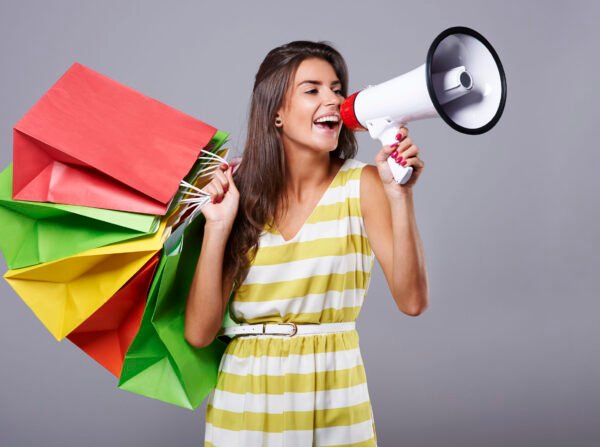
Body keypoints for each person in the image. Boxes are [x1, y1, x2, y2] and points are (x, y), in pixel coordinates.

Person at [184, 40, 428, 447]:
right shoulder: (239, 196)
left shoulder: (363, 185)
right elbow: (198, 332)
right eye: (312, 89)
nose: (332, 99)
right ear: (276, 113)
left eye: (336, 88)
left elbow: (412, 301)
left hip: (334, 399)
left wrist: (399, 195)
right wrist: (217, 225)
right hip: (244, 407)